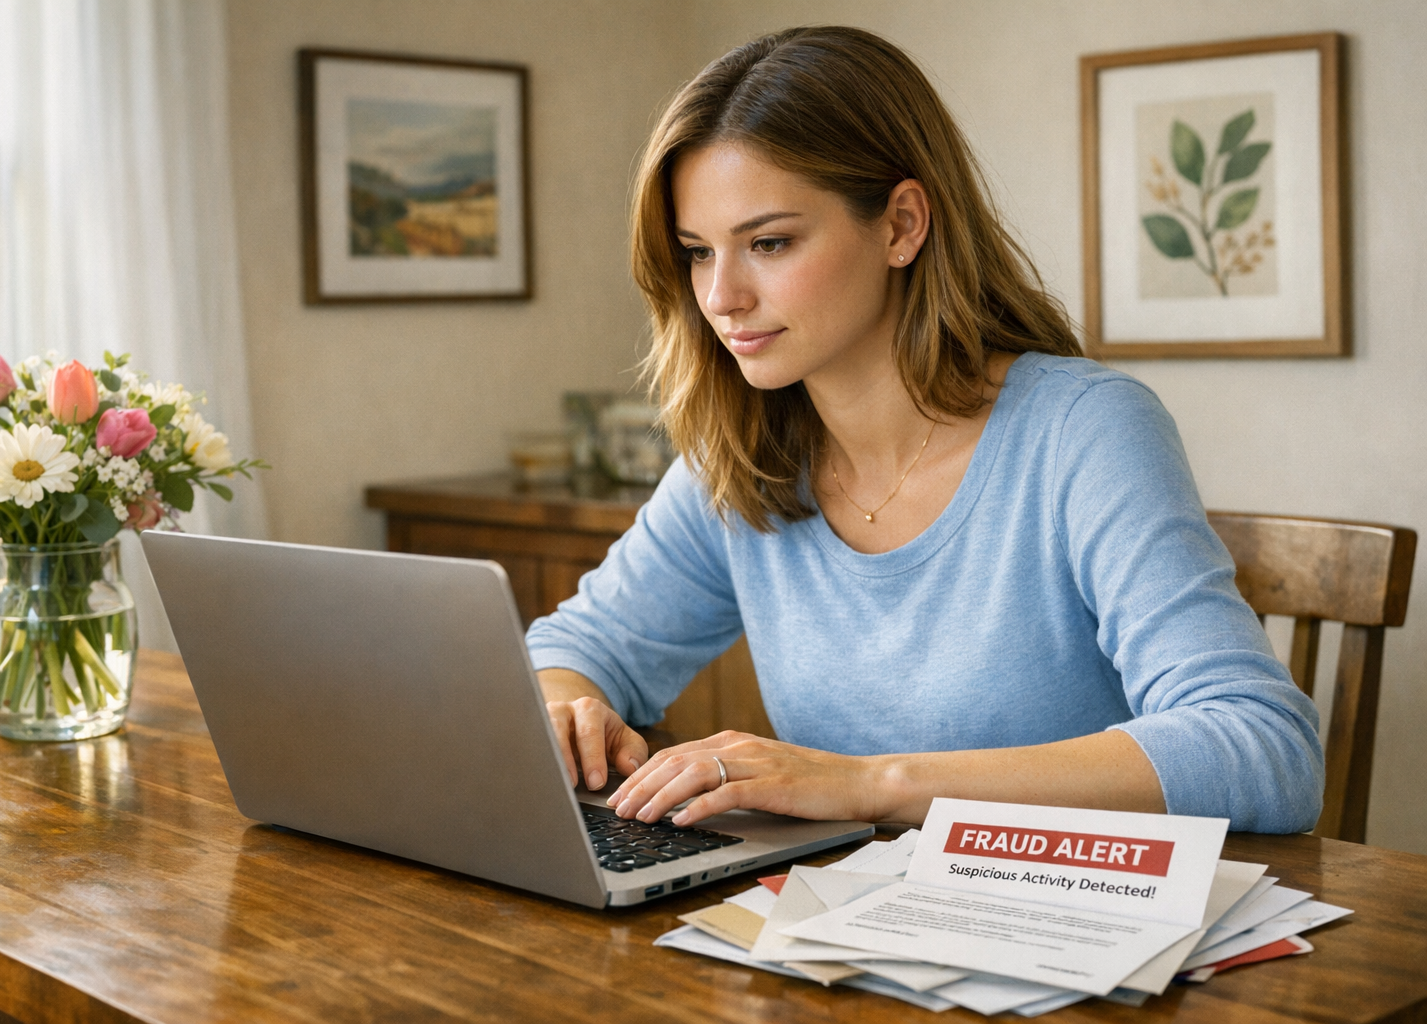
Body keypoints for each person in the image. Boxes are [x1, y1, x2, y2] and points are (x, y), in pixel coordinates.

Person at [526, 26, 1322, 834]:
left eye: (769, 243)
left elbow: (1263, 747)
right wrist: (568, 708)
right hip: (839, 928)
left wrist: (872, 784)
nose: (721, 296)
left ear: (902, 225)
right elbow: (576, 649)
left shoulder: (1084, 430)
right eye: (698, 252)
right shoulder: (741, 453)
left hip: (1067, 924)